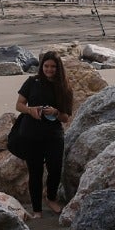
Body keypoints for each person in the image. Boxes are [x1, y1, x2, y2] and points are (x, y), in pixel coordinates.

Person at [14, 51, 73, 219]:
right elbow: (19, 104)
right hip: (31, 133)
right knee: (35, 171)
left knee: (55, 168)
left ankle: (51, 197)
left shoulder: (64, 87)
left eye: (53, 66)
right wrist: (30, 110)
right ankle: (37, 210)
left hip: (53, 133)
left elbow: (66, 118)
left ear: (58, 68)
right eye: (46, 66)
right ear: (42, 66)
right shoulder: (32, 82)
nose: (49, 69)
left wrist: (55, 112)